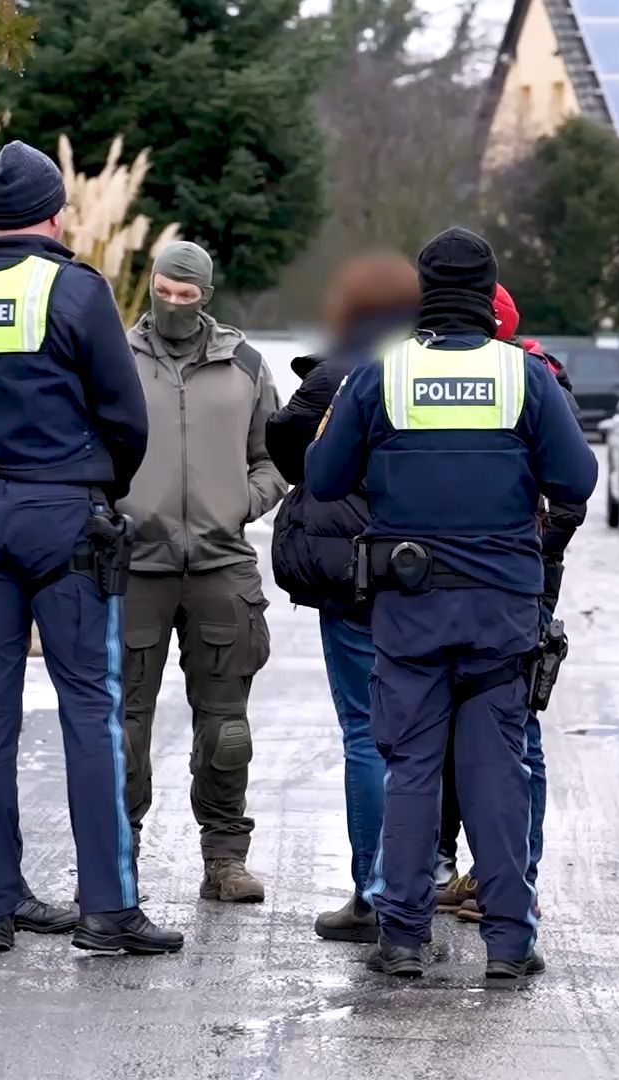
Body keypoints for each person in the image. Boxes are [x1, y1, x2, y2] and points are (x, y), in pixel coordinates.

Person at [305, 227, 596, 980]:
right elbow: (577, 479)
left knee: (410, 770)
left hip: (409, 604)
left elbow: (325, 478)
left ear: (424, 293)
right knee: (498, 772)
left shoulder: (381, 375)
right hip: (501, 608)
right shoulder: (524, 377)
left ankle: (401, 940)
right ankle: (508, 945)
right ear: (489, 288)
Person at [0, 139, 180, 955]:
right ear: (57, 215)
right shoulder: (75, 289)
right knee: (90, 707)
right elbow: (125, 415)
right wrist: (98, 485)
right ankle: (107, 908)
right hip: (62, 512)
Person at [116, 242, 286, 905]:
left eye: (188, 296)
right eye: (164, 291)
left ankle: (224, 859)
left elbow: (275, 458)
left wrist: (240, 503)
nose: (175, 305)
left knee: (226, 728)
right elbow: (90, 450)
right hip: (135, 566)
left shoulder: (244, 364)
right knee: (124, 726)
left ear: (206, 296)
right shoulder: (118, 361)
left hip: (220, 565)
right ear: (149, 286)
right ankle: (117, 855)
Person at [267, 251, 421, 943]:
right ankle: (420, 882)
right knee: (422, 738)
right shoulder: (432, 365)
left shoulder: (337, 373)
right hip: (424, 572)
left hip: (349, 571)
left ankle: (374, 892)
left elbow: (284, 440)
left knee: (363, 731)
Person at [449, 283, 587, 925]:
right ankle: (475, 872)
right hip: (490, 575)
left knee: (517, 730)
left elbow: (573, 490)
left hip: (520, 579)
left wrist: (539, 548)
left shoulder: (533, 379)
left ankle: (515, 877)